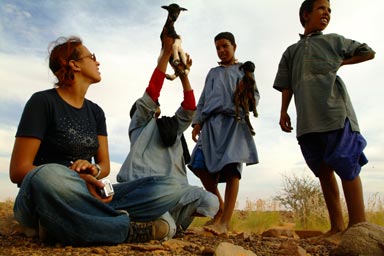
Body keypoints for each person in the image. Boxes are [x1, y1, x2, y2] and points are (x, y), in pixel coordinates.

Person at [9, 36, 192, 246]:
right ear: (74, 64)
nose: (97, 62)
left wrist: (93, 173)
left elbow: (103, 166)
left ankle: (63, 224)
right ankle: (123, 229)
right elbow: (19, 171)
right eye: (92, 57)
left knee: (171, 187)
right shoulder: (42, 102)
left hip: (89, 192)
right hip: (48, 192)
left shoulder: (96, 112)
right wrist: (71, 173)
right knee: (48, 175)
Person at [273, 0, 375, 236]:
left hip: (335, 114)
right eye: (321, 8)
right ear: (305, 15)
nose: (327, 13)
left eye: (329, 10)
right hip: (308, 121)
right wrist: (283, 112)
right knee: (322, 170)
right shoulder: (291, 51)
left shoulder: (334, 40)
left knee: (346, 163)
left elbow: (367, 51)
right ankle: (337, 227)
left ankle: (359, 228)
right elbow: (286, 85)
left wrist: (340, 62)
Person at [116, 35, 219, 233]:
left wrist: (183, 75)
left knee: (211, 202)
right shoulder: (138, 126)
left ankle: (163, 222)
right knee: (167, 226)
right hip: (147, 190)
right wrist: (164, 56)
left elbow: (190, 108)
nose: (154, 105)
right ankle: (154, 223)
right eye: (147, 107)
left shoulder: (172, 128)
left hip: (175, 192)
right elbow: (152, 93)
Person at [188, 32, 260, 235]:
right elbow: (203, 99)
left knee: (232, 171)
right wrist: (197, 122)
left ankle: (225, 222)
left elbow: (254, 97)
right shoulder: (212, 72)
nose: (221, 51)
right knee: (198, 164)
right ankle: (219, 207)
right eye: (217, 48)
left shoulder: (243, 70)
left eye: (225, 46)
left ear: (234, 47)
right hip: (211, 125)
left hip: (234, 124)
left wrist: (245, 93)